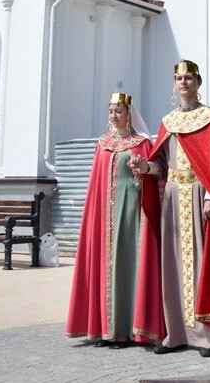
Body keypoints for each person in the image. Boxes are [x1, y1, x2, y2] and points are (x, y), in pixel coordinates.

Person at [139, 60, 210, 357]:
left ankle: (206, 337)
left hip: (199, 197)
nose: (183, 82)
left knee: (202, 262)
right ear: (174, 84)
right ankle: (176, 334)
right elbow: (160, 167)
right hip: (173, 198)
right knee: (173, 265)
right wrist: (144, 166)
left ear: (198, 82)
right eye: (179, 78)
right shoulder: (167, 121)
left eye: (188, 78)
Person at [66, 92, 164, 347]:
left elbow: (154, 179)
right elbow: (96, 186)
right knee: (105, 268)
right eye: (111, 111)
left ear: (129, 114)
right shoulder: (103, 144)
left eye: (118, 111)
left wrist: (140, 171)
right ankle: (104, 329)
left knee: (127, 266)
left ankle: (125, 331)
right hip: (104, 218)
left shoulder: (141, 143)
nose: (113, 115)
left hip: (131, 216)